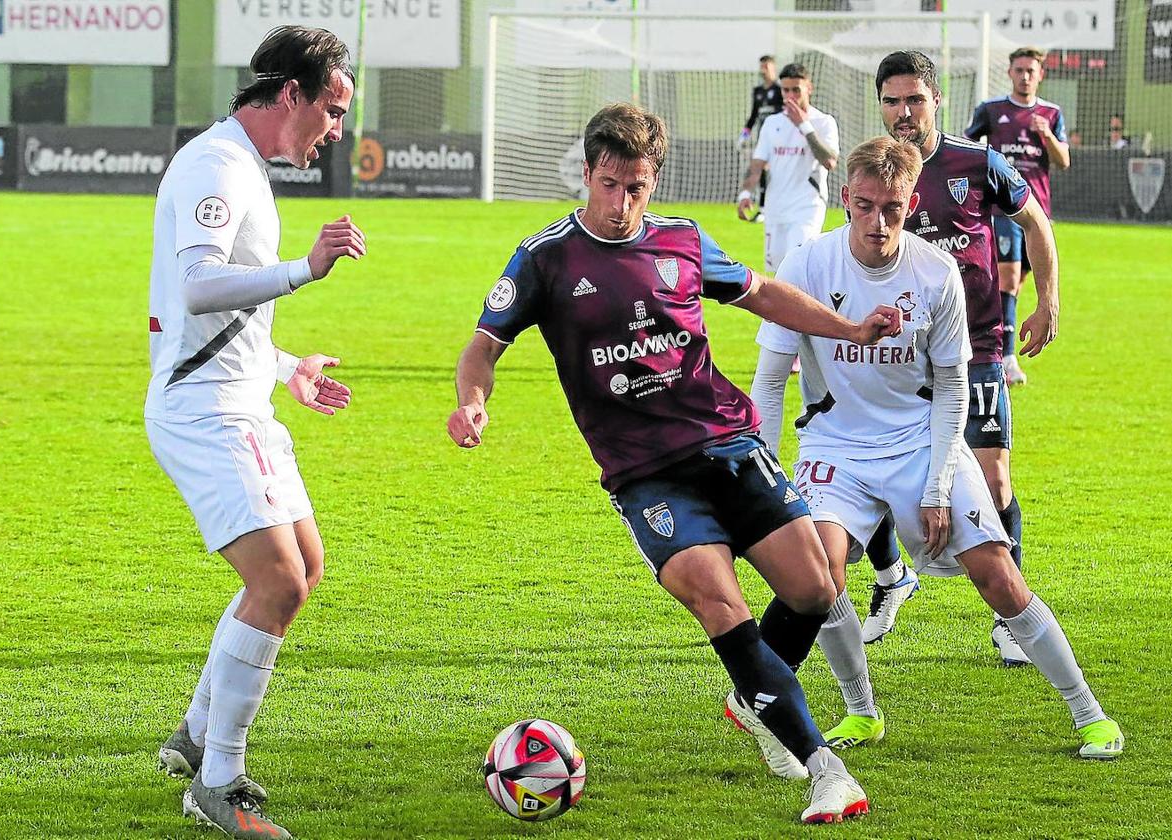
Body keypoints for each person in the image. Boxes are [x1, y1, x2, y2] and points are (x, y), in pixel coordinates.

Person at [448, 102, 903, 824]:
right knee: (716, 598)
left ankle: (752, 695)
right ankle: (825, 767)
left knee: (817, 589)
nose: (621, 203)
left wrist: (849, 328)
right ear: (587, 171)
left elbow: (762, 294)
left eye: (636, 187)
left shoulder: (683, 241)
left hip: (728, 444)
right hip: (645, 474)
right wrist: (473, 401)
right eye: (608, 184)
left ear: (652, 180)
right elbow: (482, 347)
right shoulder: (545, 259)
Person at [759, 134, 1124, 761]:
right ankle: (861, 711)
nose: (878, 223)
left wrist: (934, 489)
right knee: (821, 574)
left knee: (998, 577)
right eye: (866, 206)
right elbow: (769, 380)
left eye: (893, 209)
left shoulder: (934, 271)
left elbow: (954, 386)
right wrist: (769, 488)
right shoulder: (808, 265)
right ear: (846, 198)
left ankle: (1088, 712)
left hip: (921, 441)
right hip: (836, 444)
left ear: (910, 202)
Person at [145, 25, 365, 839]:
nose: (337, 129)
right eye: (332, 109)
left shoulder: (244, 167)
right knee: (277, 582)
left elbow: (220, 314)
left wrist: (286, 365)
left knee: (304, 566)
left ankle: (195, 734)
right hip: (204, 413)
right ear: (290, 95)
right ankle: (218, 780)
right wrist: (306, 271)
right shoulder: (215, 165)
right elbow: (201, 286)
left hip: (242, 399)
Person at [855, 51, 1060, 670]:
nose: (903, 113)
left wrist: (1047, 300)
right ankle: (892, 578)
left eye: (914, 99)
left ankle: (1008, 616)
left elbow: (1037, 223)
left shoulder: (977, 163)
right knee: (871, 477)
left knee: (994, 480)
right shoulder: (877, 171)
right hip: (896, 355)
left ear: (936, 100)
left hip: (977, 349)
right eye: (892, 101)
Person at [737, 62, 840, 454]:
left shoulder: (823, 122)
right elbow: (759, 165)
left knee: (796, 273)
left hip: (806, 211)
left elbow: (830, 160)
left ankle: (790, 351)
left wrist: (805, 126)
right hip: (776, 213)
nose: (790, 98)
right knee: (777, 283)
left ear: (809, 88)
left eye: (796, 90)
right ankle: (794, 345)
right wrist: (746, 192)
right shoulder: (772, 125)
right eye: (785, 91)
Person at [966, 46, 1070, 387]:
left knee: (1017, 286)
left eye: (1031, 70)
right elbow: (966, 149)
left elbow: (1063, 161)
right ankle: (1007, 358)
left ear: (1041, 74)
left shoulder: (1051, 113)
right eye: (1020, 70)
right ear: (1010, 72)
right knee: (1007, 281)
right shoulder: (992, 110)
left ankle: (991, 344)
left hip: (1037, 213)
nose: (1025, 76)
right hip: (1002, 210)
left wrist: (1047, 136)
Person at [738, 54, 785, 217]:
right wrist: (744, 135)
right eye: (762, 66)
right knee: (761, 169)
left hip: (779, 138)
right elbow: (753, 116)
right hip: (763, 138)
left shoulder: (780, 90)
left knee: (775, 170)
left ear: (773, 68)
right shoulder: (758, 91)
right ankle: (764, 208)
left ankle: (773, 206)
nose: (763, 70)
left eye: (767, 66)